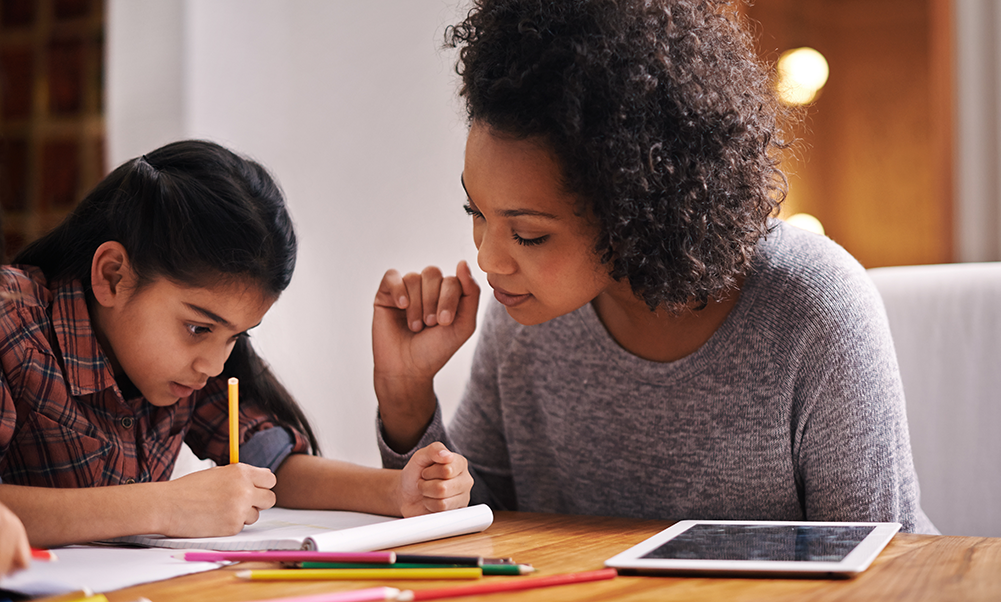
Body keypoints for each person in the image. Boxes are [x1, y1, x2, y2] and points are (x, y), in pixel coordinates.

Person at [373, 0, 935, 532]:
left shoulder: (816, 315)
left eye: (530, 235)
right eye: (477, 211)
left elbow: (884, 565)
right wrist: (405, 396)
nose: (488, 258)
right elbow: (485, 529)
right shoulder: (525, 319)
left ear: (634, 206)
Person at [0, 140, 472, 548]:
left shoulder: (188, 367)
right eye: (199, 328)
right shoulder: (11, 319)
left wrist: (398, 492)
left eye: (237, 336)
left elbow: (273, 468)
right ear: (113, 275)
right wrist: (163, 507)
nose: (213, 363)